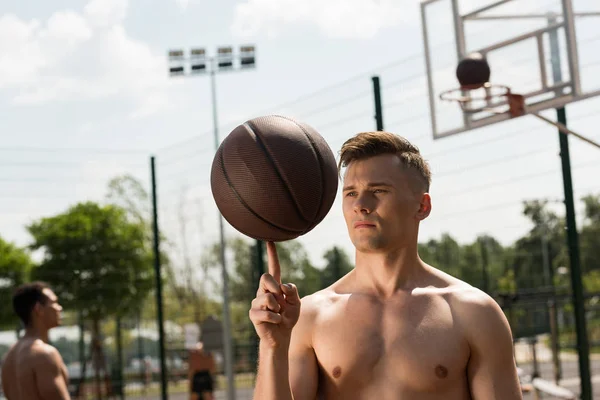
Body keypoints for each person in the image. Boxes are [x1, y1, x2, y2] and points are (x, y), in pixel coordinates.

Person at [249, 131, 523, 399]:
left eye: (378, 191)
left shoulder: (473, 313)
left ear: (422, 206)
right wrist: (273, 346)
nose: (361, 205)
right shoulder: (310, 316)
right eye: (351, 193)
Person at [1, 281, 70, 400]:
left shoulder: (8, 358)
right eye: (54, 302)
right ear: (38, 309)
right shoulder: (44, 354)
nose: (59, 307)